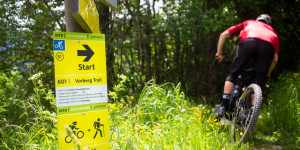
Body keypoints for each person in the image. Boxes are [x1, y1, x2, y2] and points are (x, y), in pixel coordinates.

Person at [215, 14, 279, 118]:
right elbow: (275, 59)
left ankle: (223, 104)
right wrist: (267, 74)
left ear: (257, 20)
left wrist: (219, 54)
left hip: (248, 42)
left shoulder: (248, 22)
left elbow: (223, 35)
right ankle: (252, 115)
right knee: (258, 80)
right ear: (269, 24)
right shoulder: (272, 32)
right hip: (267, 47)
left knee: (234, 73)